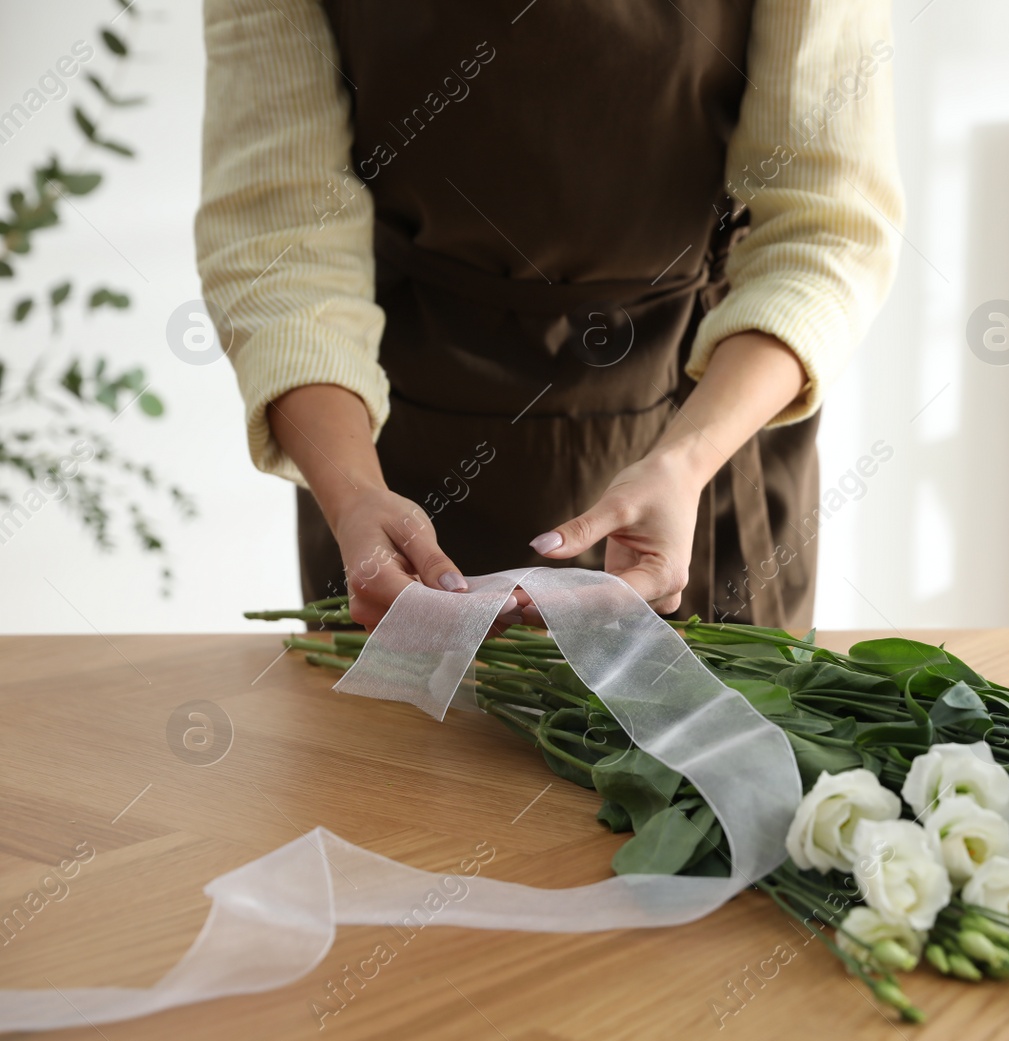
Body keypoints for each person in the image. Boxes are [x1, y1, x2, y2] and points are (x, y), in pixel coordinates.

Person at [196, 0, 901, 631]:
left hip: (707, 426)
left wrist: (685, 464)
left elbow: (824, 226)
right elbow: (280, 237)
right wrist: (351, 493)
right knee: (397, 772)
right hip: (388, 444)